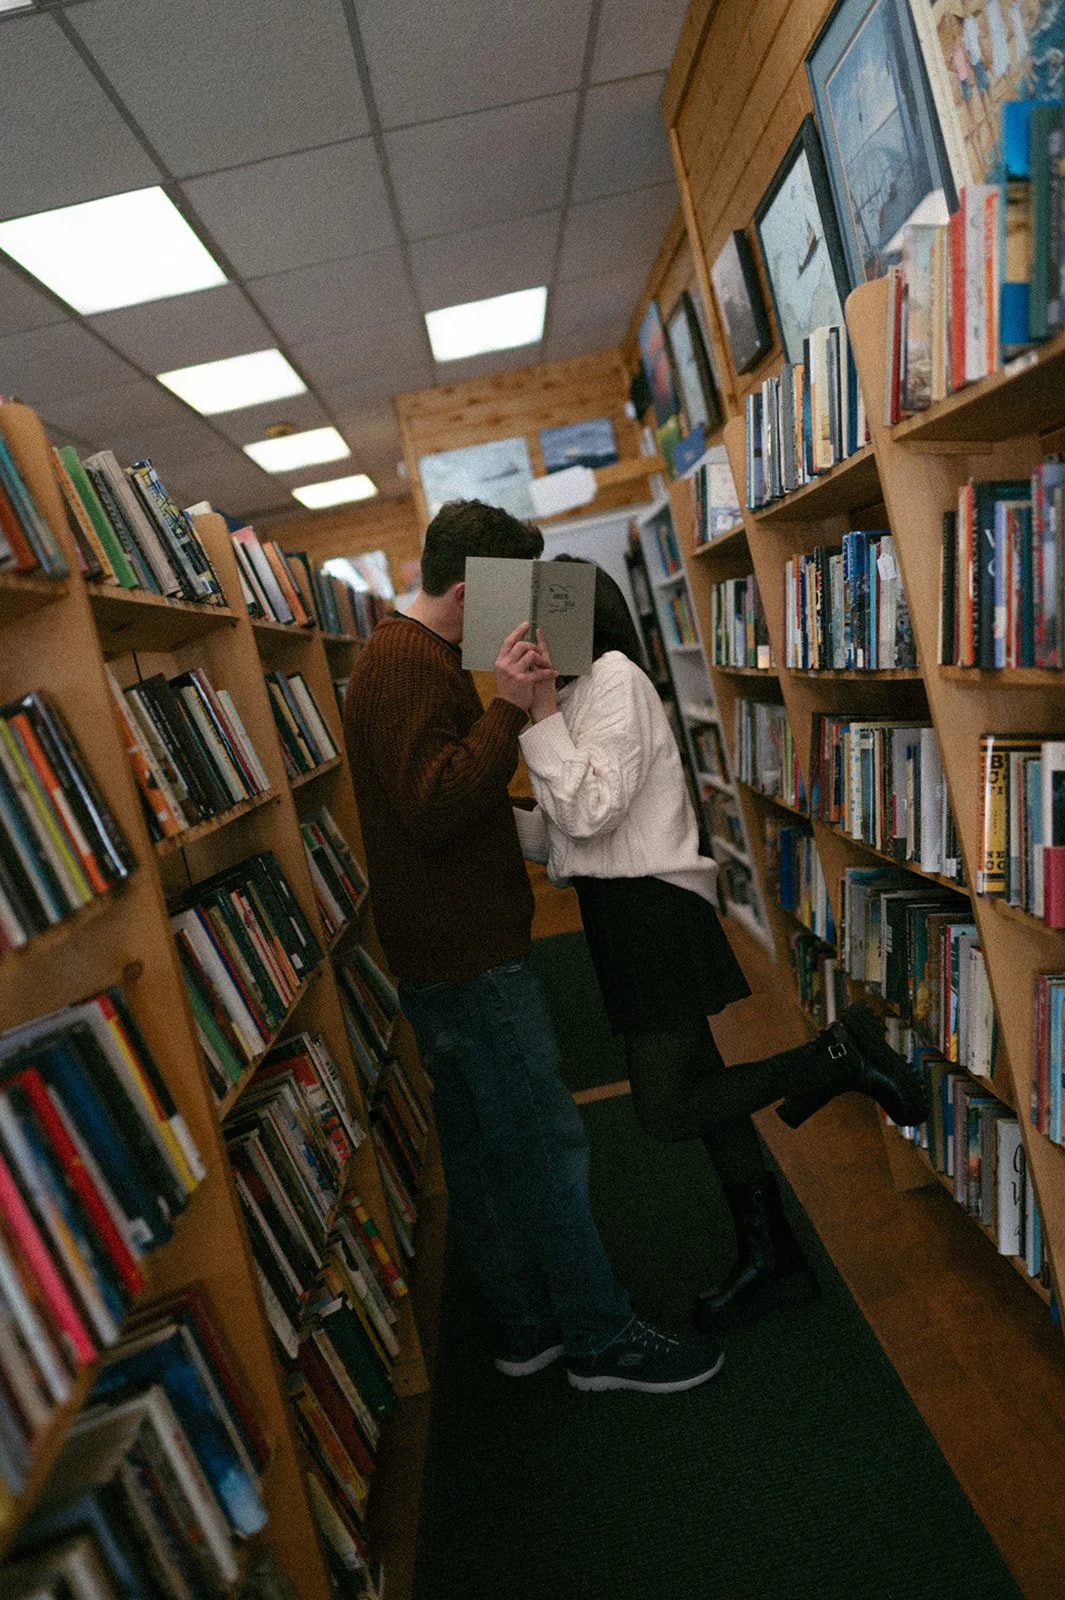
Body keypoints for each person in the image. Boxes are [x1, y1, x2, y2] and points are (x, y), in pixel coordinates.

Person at [342, 500, 726, 1393]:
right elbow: (437, 806)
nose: (532, 611)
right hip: (467, 951)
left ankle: (528, 1325)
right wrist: (512, 710)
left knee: (483, 1152)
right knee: (546, 1150)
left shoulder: (414, 657)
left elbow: (453, 802)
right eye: (519, 591)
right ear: (477, 587)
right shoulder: (406, 664)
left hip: (449, 944)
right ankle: (598, 1338)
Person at [515, 558, 929, 1332]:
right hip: (622, 913)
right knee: (703, 1097)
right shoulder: (572, 696)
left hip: (650, 915)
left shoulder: (612, 680)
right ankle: (774, 1262)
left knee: (665, 1110)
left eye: (536, 621)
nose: (523, 639)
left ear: (574, 617)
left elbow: (590, 811)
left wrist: (535, 711)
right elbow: (566, 836)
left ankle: (834, 1058)